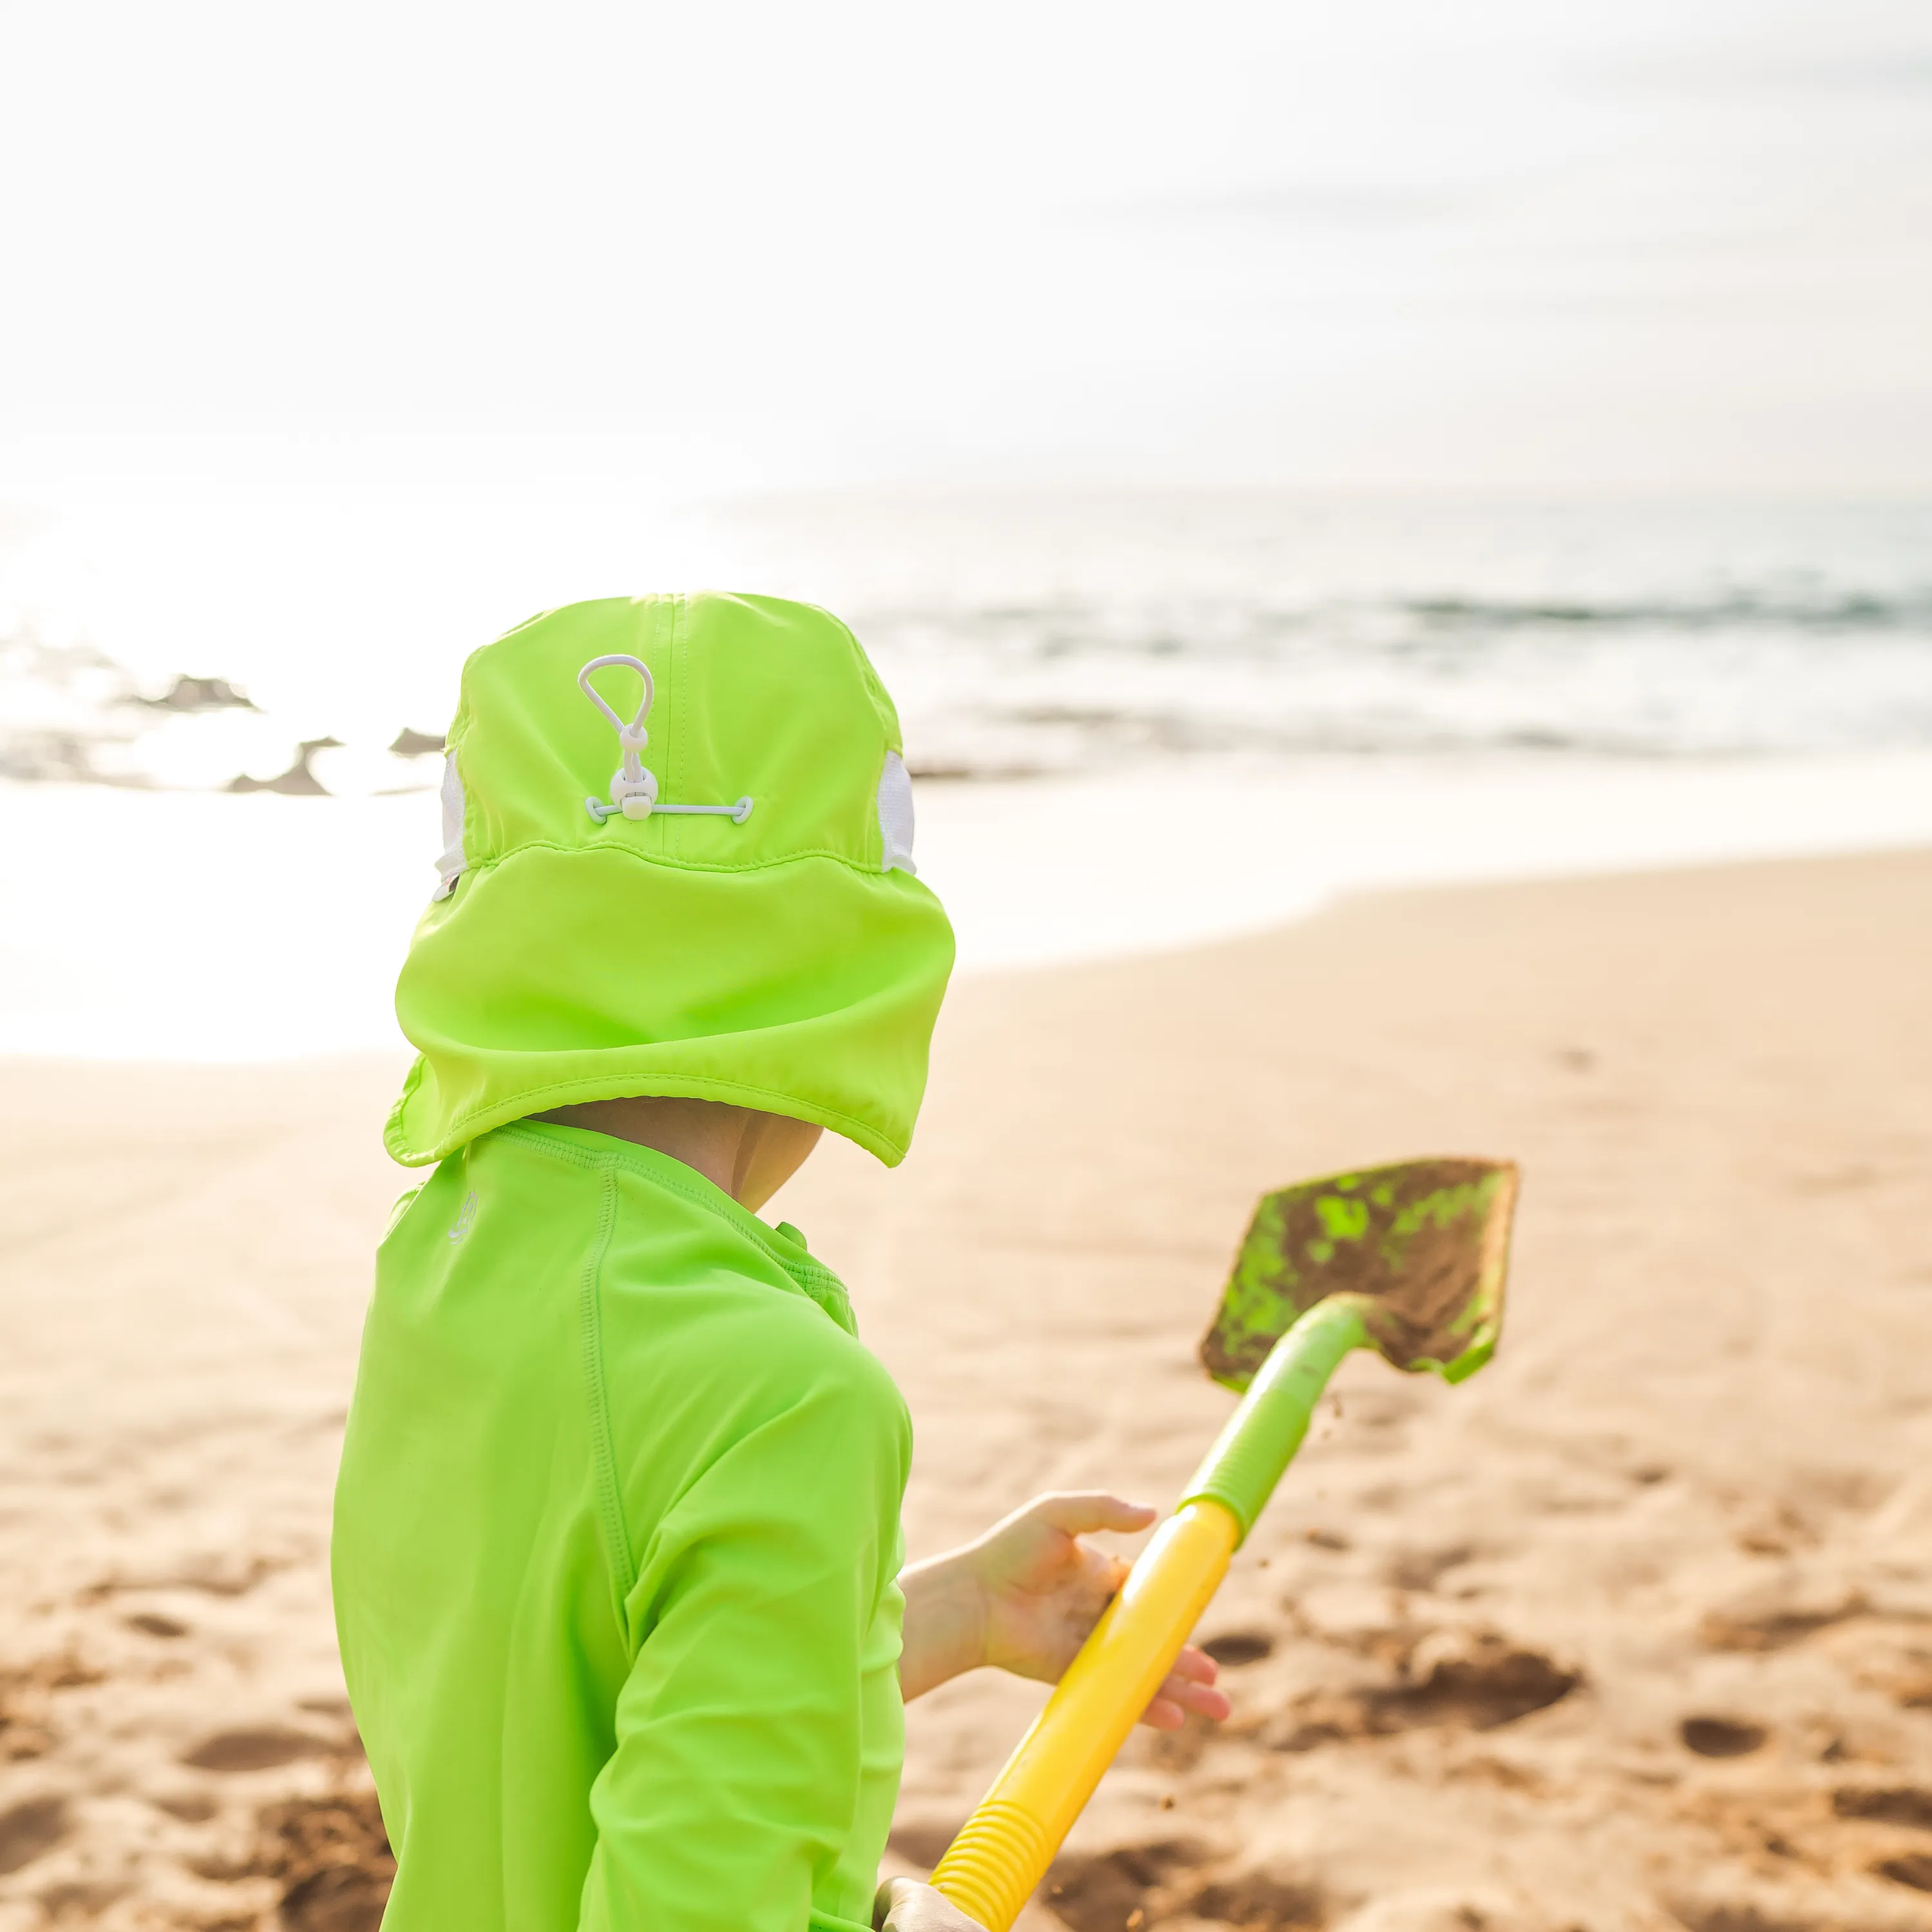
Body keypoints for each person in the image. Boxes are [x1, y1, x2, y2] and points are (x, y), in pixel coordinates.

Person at [332, 594, 1227, 1932]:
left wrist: (965, 1610)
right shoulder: (788, 1398)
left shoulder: (444, 1264)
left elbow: (582, 1697)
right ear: (844, 978)